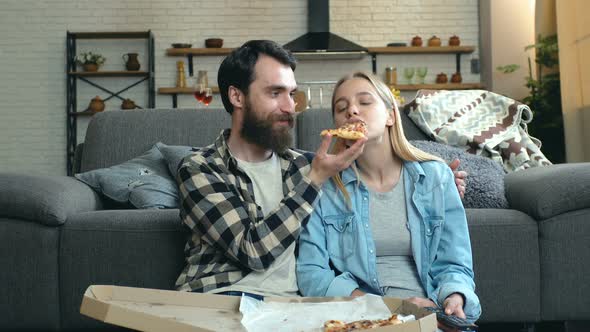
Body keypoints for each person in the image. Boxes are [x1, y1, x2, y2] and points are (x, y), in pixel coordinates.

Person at [174, 40, 467, 300]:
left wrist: (440, 186)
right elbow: (253, 251)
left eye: (292, 94)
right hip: (219, 298)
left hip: (290, 304)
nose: (290, 106)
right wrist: (315, 178)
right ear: (237, 97)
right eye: (276, 93)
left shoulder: (305, 166)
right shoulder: (201, 168)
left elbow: (386, 168)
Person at [296, 71, 481, 323]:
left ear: (391, 115)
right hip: (359, 317)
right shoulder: (324, 185)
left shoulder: (436, 176)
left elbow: (455, 264)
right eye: (342, 108)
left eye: (364, 102)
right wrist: (387, 309)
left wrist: (453, 299)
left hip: (430, 311)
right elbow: (312, 274)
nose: (352, 110)